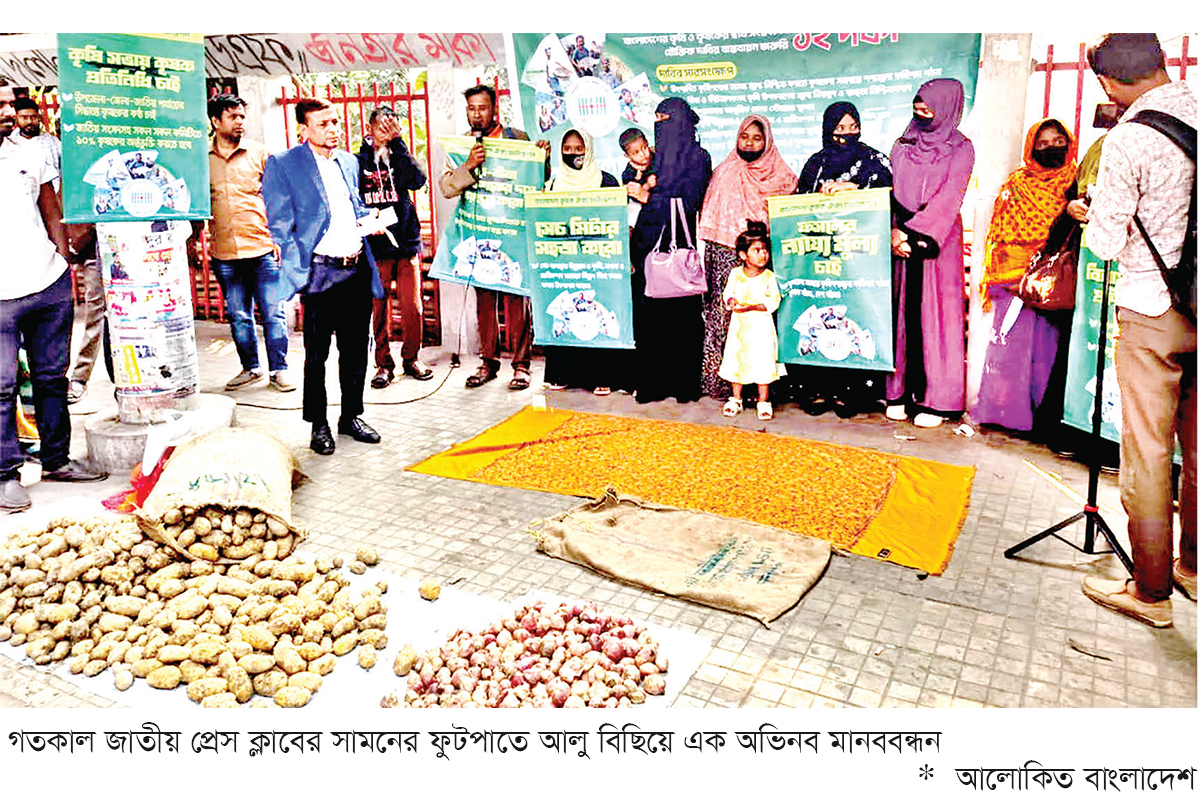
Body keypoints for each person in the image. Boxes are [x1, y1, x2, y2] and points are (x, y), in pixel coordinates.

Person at [1077, 33, 1196, 627]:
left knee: (1149, 451)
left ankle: (1150, 592)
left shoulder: (1129, 138)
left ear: (1108, 82)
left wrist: (1090, 212)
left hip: (1155, 310)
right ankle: (1192, 565)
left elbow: (1103, 242)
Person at [2, 80, 106, 513]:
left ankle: (56, 460)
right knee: (2, 387)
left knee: (51, 379)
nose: (8, 112)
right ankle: (6, 474)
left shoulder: (28, 153)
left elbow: (50, 207)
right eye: (0, 105)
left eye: (8, 104)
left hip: (47, 284)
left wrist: (63, 260)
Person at [262, 97, 386, 456]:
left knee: (357, 350)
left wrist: (371, 220)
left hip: (357, 268)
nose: (333, 129)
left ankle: (351, 417)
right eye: (323, 124)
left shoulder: (348, 160)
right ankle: (318, 424)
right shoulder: (284, 163)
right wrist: (298, 263)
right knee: (317, 355)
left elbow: (353, 206)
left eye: (335, 122)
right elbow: (279, 223)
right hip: (320, 271)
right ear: (303, 129)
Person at [438, 84, 548, 391]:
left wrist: (542, 158)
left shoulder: (517, 139)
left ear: (494, 109)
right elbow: (447, 188)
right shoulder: (461, 145)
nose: (476, 114)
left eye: (482, 108)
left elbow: (537, 179)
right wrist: (468, 165)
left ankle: (521, 366)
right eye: (471, 108)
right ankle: (489, 362)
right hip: (480, 234)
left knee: (517, 301)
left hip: (513, 232)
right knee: (484, 303)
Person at [972, 119, 1077, 434]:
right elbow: (999, 233)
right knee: (1010, 352)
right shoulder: (1016, 184)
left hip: (1052, 283)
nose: (1051, 148)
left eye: (1058, 142)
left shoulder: (1075, 183)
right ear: (1031, 148)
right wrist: (1011, 276)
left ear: (1069, 144)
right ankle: (1005, 416)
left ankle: (1041, 421)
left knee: (1046, 351)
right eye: (1042, 144)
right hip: (1011, 280)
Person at [790, 101, 893, 418]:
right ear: (827, 130)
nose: (847, 134)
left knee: (856, 316)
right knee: (819, 314)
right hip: (820, 257)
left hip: (860, 259)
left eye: (852, 127)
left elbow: (891, 196)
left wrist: (856, 188)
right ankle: (816, 389)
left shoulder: (874, 161)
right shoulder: (816, 163)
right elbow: (798, 205)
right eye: (839, 128)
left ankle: (855, 392)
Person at [887, 79, 975, 428]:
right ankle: (898, 392)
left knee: (935, 314)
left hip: (938, 241)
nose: (921, 113)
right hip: (899, 236)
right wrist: (894, 231)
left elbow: (951, 195)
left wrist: (914, 234)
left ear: (947, 107)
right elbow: (891, 189)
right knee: (900, 312)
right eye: (917, 107)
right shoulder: (902, 145)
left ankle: (936, 400)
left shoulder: (962, 148)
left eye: (929, 108)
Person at [697, 115, 795, 402]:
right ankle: (723, 386)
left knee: (761, 325)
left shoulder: (782, 176)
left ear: (767, 141)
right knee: (725, 319)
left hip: (762, 258)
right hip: (724, 255)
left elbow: (788, 217)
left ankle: (761, 388)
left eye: (757, 138)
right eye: (744, 136)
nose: (749, 143)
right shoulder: (724, 172)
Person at [206, 93, 294, 394]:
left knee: (273, 313)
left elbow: (280, 197)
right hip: (224, 254)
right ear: (216, 121)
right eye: (233, 116)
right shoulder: (202, 160)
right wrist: (193, 240)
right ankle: (251, 368)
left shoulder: (260, 153)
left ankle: (279, 370)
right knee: (238, 316)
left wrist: (281, 237)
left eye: (242, 116)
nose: (240, 122)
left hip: (262, 249)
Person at [630, 97, 712, 404]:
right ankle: (654, 384)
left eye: (666, 119)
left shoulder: (698, 157)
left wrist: (650, 197)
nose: (660, 126)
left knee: (684, 319)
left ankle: (683, 384)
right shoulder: (653, 158)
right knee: (651, 319)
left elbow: (690, 198)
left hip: (680, 247)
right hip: (648, 246)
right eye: (657, 120)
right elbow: (635, 184)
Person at [541, 128, 624, 395]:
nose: (573, 154)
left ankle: (602, 375)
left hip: (599, 260)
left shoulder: (606, 182)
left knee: (597, 313)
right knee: (566, 313)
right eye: (568, 149)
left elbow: (617, 221)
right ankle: (562, 374)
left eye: (579, 149)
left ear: (589, 150)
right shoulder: (553, 185)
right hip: (565, 262)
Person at [357, 106, 432, 389]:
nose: (386, 133)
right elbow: (352, 198)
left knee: (412, 307)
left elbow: (417, 181)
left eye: (392, 127)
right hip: (375, 246)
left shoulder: (400, 155)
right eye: (382, 127)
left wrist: (398, 144)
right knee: (379, 309)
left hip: (405, 243)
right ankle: (383, 364)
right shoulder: (358, 160)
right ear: (370, 128)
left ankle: (411, 359)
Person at [719, 222, 783, 421]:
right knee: (736, 359)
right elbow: (728, 293)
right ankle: (735, 398)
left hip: (761, 328)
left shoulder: (769, 277)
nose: (763, 255)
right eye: (757, 250)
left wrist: (752, 307)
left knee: (763, 360)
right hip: (739, 328)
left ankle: (763, 401)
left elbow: (773, 300)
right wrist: (732, 301)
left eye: (765, 250)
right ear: (743, 255)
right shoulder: (736, 274)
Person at [64, 223, 106, 404]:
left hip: (131, 242)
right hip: (94, 248)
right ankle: (79, 377)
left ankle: (79, 377)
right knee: (95, 313)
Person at [12, 96, 61, 191]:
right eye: (24, 117)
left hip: (51, 195)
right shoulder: (9, 144)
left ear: (39, 118)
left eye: (33, 117)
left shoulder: (53, 142)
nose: (30, 121)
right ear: (16, 118)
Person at [620, 127, 655, 230]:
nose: (643, 155)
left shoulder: (657, 159)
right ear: (627, 155)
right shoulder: (629, 173)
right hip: (640, 205)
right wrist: (647, 185)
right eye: (636, 153)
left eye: (644, 148)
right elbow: (635, 195)